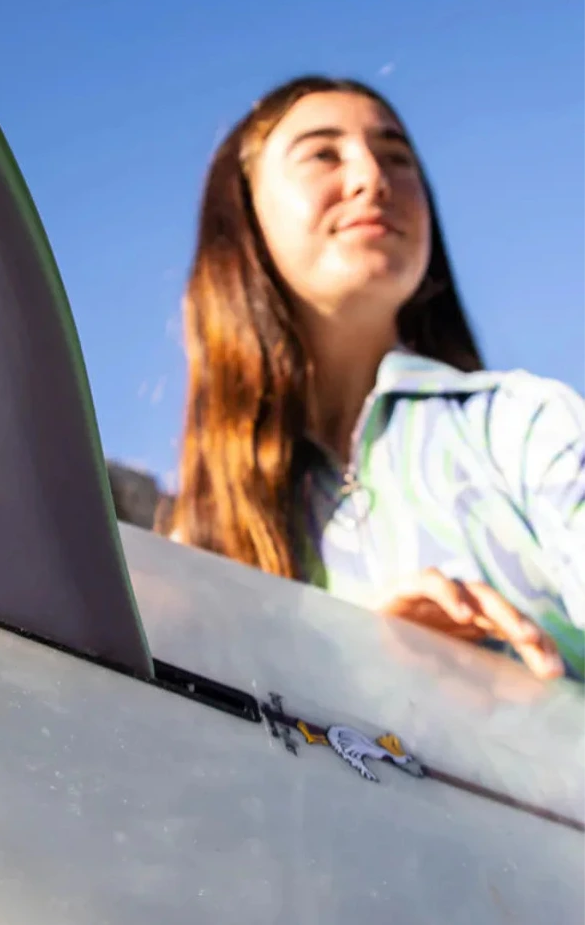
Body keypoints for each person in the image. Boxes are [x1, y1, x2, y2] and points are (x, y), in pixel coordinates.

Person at [163, 74, 585, 682]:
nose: (372, 179)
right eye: (322, 154)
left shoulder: (529, 425)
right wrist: (364, 668)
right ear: (245, 217)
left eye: (397, 157)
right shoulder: (193, 542)